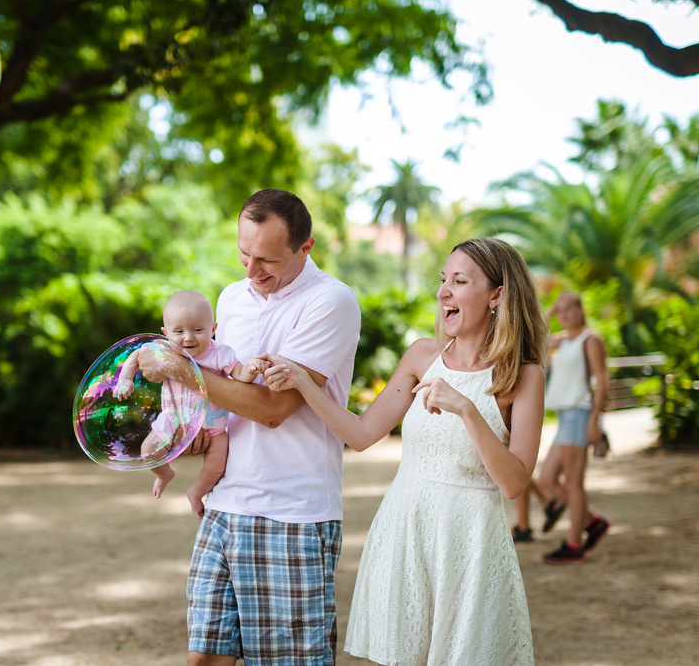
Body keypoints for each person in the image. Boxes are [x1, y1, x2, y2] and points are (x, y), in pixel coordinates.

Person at [262, 237, 546, 665]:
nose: (443, 292)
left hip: (470, 543)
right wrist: (303, 382)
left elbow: (514, 483)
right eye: (443, 280)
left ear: (497, 295)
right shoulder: (421, 355)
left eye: (460, 281)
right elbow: (359, 434)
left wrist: (466, 409)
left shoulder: (524, 376)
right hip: (405, 530)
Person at [181, 188, 361, 666]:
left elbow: (274, 408)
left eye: (267, 259)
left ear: (306, 247)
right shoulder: (230, 299)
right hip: (225, 505)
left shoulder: (331, 301)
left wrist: (185, 375)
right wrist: (200, 429)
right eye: (243, 254)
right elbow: (225, 393)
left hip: (293, 514)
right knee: (204, 660)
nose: (251, 271)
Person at [115, 290, 269, 518]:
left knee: (217, 466)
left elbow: (239, 374)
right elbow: (138, 355)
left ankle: (196, 493)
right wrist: (125, 379)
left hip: (214, 426)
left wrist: (251, 368)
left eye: (198, 330)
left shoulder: (219, 354)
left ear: (213, 329)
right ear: (166, 333)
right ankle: (164, 475)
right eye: (179, 331)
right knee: (148, 452)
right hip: (173, 419)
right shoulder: (164, 351)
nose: (188, 338)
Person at [536, 291, 612, 564]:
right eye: (561, 310)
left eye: (570, 308)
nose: (565, 314)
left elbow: (602, 379)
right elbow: (536, 338)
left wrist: (595, 419)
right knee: (547, 479)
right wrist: (550, 310)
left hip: (580, 414)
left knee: (573, 484)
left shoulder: (590, 339)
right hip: (566, 416)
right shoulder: (563, 340)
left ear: (581, 310)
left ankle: (574, 544)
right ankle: (593, 522)